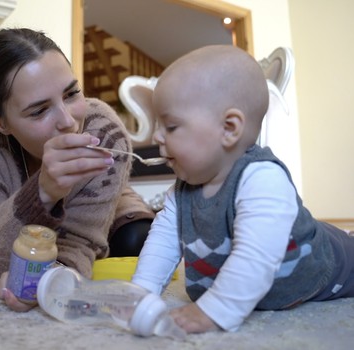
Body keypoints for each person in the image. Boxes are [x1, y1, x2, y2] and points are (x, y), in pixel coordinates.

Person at [132, 45, 354, 334]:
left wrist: (214, 311)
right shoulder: (183, 190)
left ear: (229, 128)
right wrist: (140, 292)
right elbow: (163, 241)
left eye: (171, 126)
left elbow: (255, 258)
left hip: (330, 265)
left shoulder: (263, 179)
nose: (156, 136)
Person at [0, 28, 155, 311]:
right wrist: (42, 193)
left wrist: (47, 280)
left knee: (138, 241)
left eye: (71, 93)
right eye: (38, 111)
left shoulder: (104, 133)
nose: (68, 121)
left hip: (109, 204)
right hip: (17, 214)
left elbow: (82, 243)